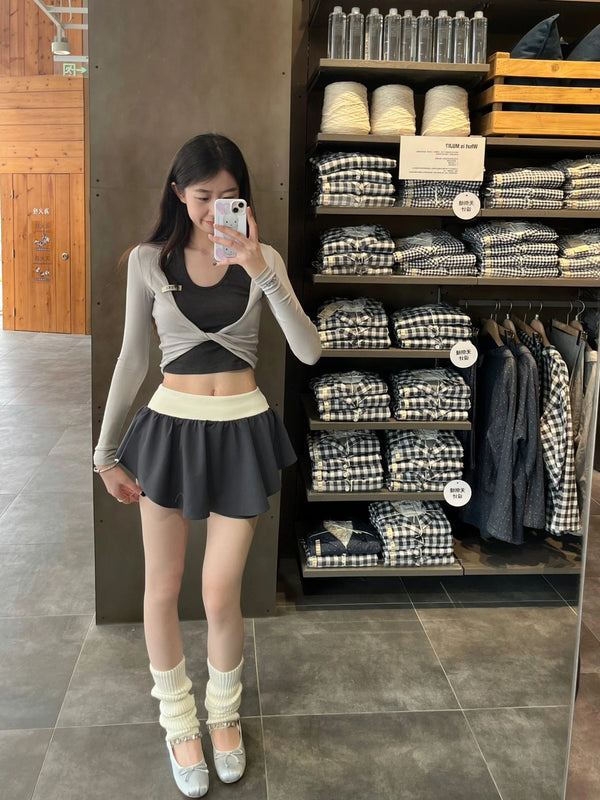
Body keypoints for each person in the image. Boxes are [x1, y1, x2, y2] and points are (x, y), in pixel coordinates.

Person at [92, 133, 321, 797]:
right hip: (168, 431)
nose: (215, 207)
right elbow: (134, 359)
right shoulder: (148, 261)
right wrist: (105, 454)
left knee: (221, 592)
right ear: (178, 193)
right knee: (162, 588)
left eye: (229, 196)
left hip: (241, 432)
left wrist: (261, 270)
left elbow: (308, 351)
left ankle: (223, 717)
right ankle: (179, 723)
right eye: (202, 196)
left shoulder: (264, 259)